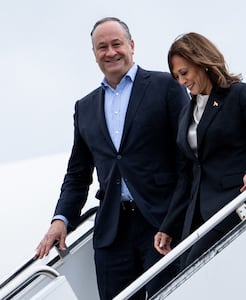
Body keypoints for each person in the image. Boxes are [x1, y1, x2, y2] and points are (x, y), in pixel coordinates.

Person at [35, 17, 190, 299]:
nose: (110, 52)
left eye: (116, 44)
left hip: (161, 222)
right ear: (94, 55)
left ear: (131, 45)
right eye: (101, 47)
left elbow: (186, 159)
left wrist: (176, 217)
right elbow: (78, 175)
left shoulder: (166, 86)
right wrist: (61, 219)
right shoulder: (85, 107)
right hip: (112, 233)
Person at [154, 32, 246, 268]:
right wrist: (169, 226)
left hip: (236, 203)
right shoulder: (186, 113)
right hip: (199, 216)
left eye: (184, 73)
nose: (182, 81)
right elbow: (187, 175)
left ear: (202, 62)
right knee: (185, 273)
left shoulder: (239, 94)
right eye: (176, 77)